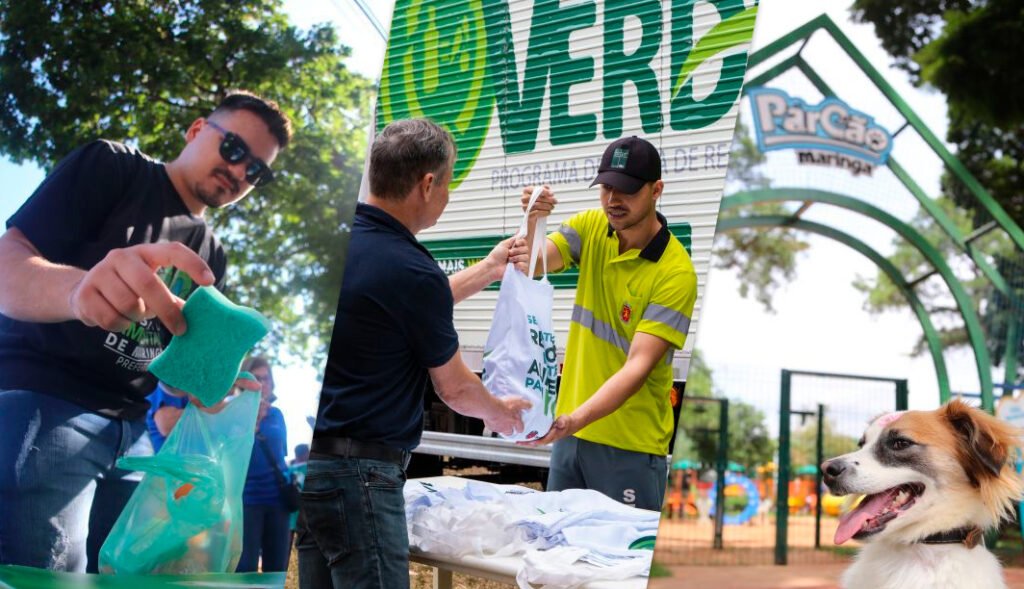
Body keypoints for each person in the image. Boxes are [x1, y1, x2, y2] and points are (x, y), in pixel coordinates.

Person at [0, 91, 292, 572]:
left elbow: (169, 364)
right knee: (43, 579)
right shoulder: (113, 167)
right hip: (47, 406)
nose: (240, 173)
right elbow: (10, 263)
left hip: (137, 440)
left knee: (134, 578)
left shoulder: (212, 255)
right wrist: (78, 293)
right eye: (235, 149)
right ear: (197, 130)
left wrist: (213, 389)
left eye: (256, 171)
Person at [296, 118, 531, 589]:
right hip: (361, 475)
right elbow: (456, 388)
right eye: (446, 184)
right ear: (427, 184)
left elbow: (398, 306)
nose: (446, 196)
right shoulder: (410, 268)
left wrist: (487, 269)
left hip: (310, 468)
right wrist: (502, 415)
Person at [520, 136, 698, 512]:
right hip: (571, 436)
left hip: (628, 446)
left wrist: (574, 418)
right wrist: (535, 218)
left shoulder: (675, 272)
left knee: (622, 568)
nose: (613, 200)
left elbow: (638, 366)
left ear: (656, 190)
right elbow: (533, 264)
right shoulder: (592, 227)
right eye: (607, 188)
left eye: (628, 190)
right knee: (556, 551)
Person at [236, 356, 293, 573]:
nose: (262, 384)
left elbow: (281, 455)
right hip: (246, 500)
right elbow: (231, 452)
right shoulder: (232, 411)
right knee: (245, 568)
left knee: (277, 569)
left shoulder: (277, 414)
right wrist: (254, 421)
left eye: (266, 378)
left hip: (278, 500)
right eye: (256, 378)